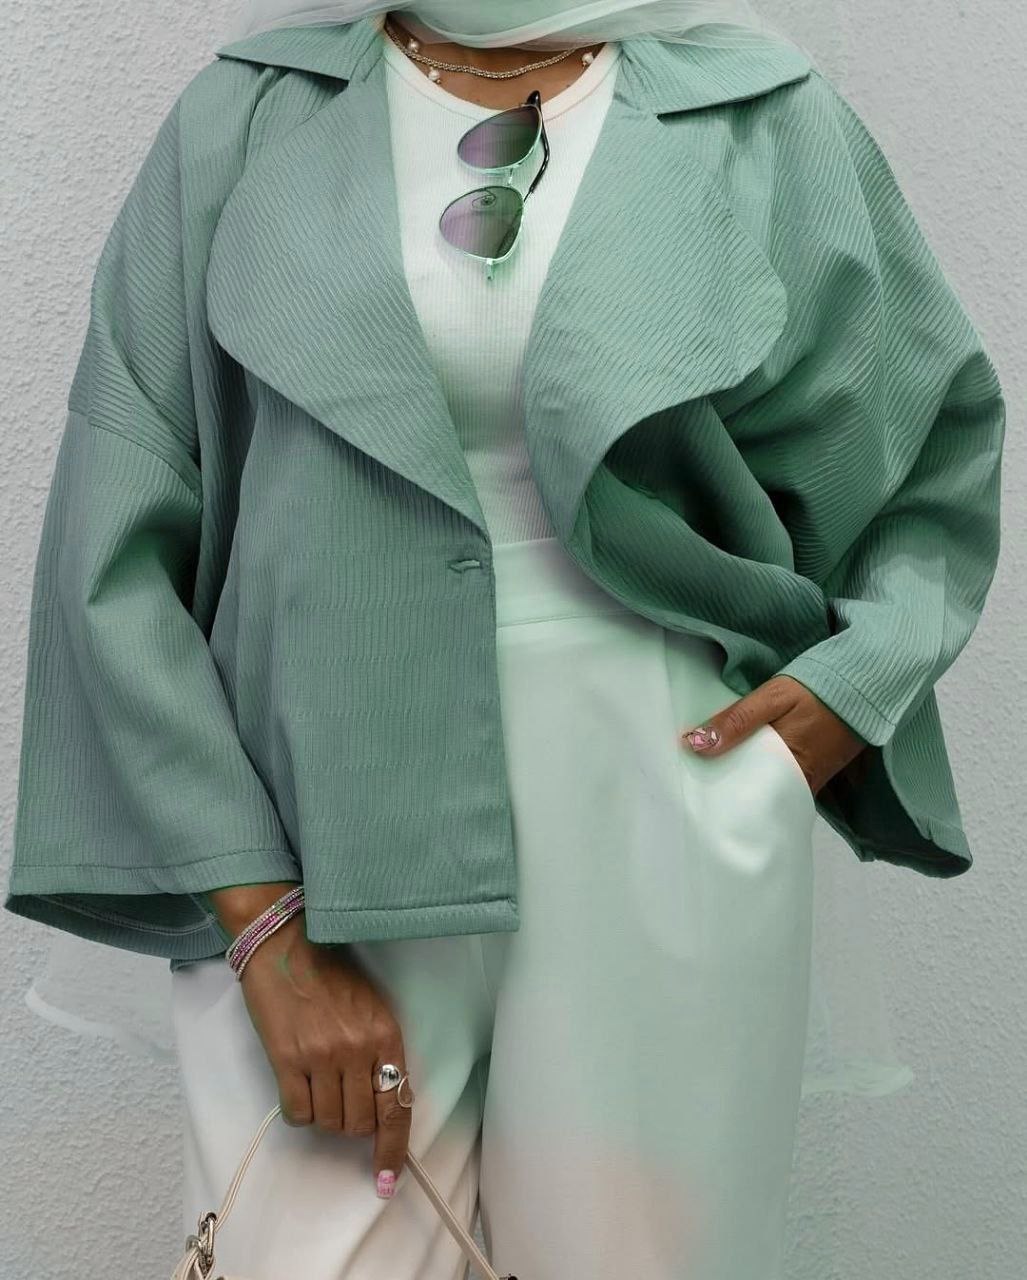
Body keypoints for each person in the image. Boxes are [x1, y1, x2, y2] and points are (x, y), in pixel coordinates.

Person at [4, 3, 1005, 1277]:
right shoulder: (247, 115)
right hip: (317, 844)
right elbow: (115, 534)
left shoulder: (757, 114)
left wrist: (843, 692)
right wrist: (257, 922)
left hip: (661, 816)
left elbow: (933, 443)